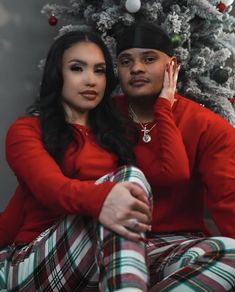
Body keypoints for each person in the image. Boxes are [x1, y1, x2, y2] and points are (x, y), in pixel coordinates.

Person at [0, 29, 189, 292]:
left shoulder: (116, 135)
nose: (91, 80)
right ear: (58, 74)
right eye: (78, 68)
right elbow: (52, 189)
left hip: (101, 259)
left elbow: (174, 173)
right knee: (128, 181)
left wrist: (164, 105)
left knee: (225, 252)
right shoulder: (27, 130)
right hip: (35, 261)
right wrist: (105, 198)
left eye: (99, 71)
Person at [114, 21, 235, 291]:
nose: (136, 68)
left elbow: (230, 200)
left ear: (172, 66)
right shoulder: (101, 118)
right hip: (112, 243)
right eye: (126, 61)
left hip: (177, 245)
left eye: (149, 59)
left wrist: (163, 109)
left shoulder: (206, 125)